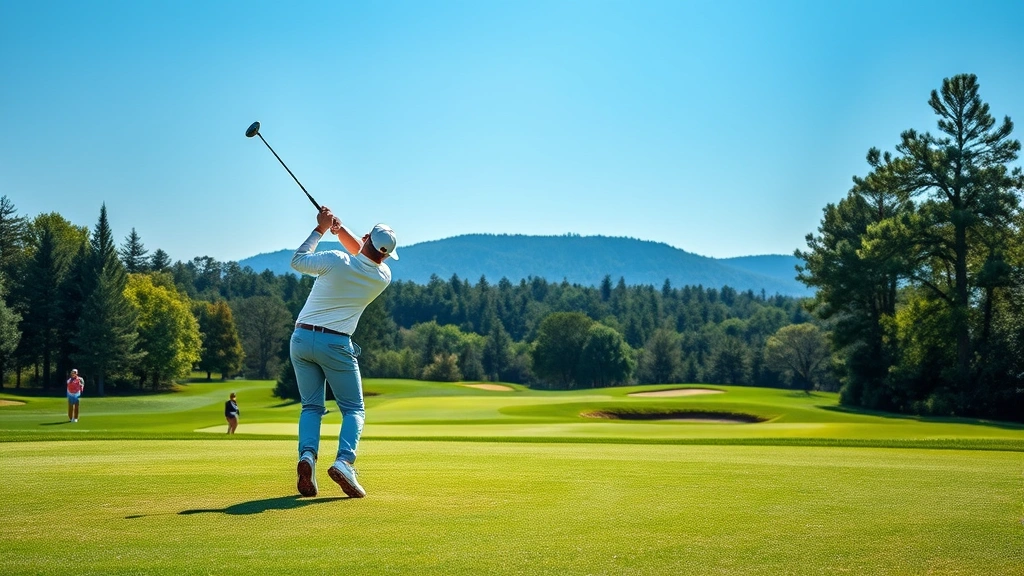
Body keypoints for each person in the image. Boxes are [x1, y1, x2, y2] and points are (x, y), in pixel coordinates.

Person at [290, 206, 398, 498]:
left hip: (301, 338)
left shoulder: (335, 260)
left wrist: (322, 229)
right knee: (353, 409)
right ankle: (344, 462)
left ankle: (307, 456)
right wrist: (339, 229)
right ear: (386, 255)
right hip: (336, 344)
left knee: (311, 407)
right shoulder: (382, 276)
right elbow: (364, 255)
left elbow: (298, 261)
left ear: (365, 239)